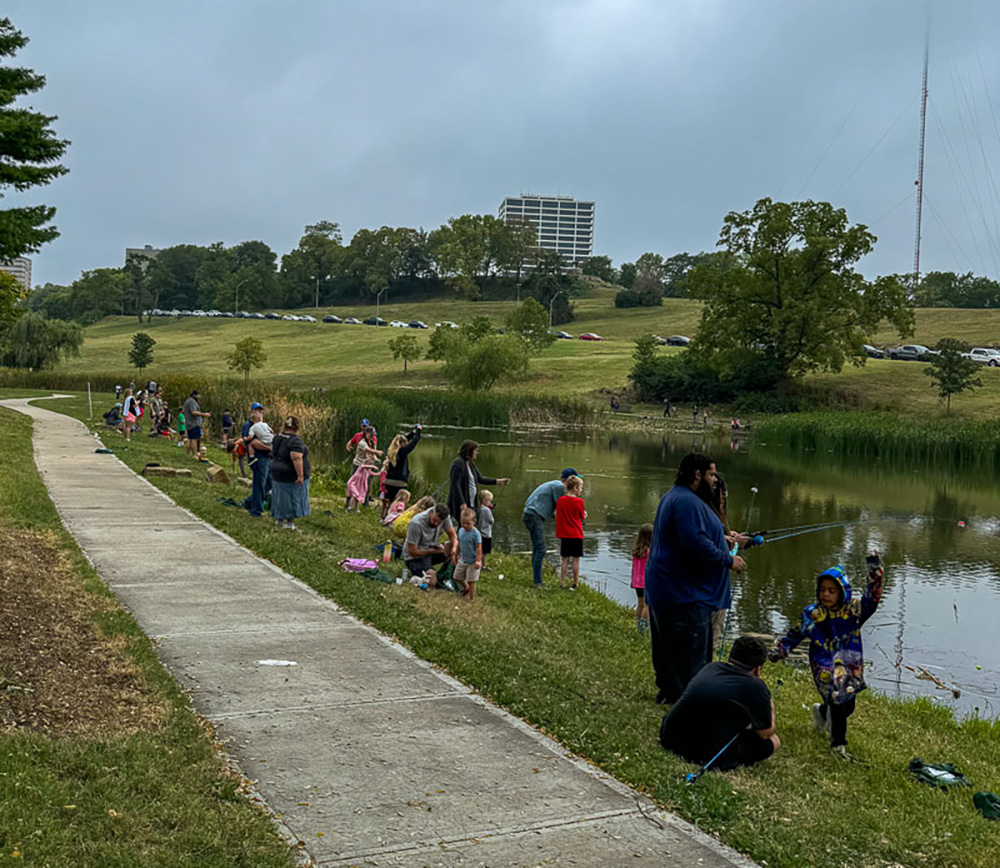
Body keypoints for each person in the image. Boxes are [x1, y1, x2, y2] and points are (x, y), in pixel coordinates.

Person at [645, 453, 746, 705]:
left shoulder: (677, 497)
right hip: (683, 593)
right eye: (711, 474)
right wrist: (728, 560)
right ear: (697, 475)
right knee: (690, 653)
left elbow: (689, 537)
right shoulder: (687, 502)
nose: (715, 480)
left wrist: (721, 540)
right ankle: (688, 701)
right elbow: (694, 544)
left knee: (669, 648)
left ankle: (670, 692)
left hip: (670, 589)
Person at [769, 555, 884, 756]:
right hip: (823, 663)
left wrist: (874, 568)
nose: (825, 594)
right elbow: (795, 634)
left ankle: (822, 712)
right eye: (822, 590)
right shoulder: (812, 613)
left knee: (848, 705)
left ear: (842, 592)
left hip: (850, 663)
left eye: (831, 591)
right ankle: (838, 745)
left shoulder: (854, 611)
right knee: (838, 699)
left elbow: (873, 596)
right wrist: (780, 650)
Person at [659, 636, 779, 771]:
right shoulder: (756, 686)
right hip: (706, 754)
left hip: (669, 737)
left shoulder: (711, 667)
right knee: (774, 741)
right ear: (758, 669)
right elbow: (764, 733)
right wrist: (770, 707)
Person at [522, 468, 578, 589]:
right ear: (570, 480)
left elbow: (555, 512)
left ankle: (536, 579)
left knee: (537, 549)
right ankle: (537, 582)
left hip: (531, 514)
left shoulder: (554, 484)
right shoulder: (559, 488)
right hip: (534, 516)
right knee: (541, 549)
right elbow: (562, 508)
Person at [447, 440, 509, 523]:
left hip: (472, 502)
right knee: (464, 525)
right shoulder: (458, 464)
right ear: (469, 451)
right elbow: (455, 485)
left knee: (470, 525)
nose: (477, 453)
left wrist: (498, 481)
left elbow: (480, 479)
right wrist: (462, 503)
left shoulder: (470, 464)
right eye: (475, 450)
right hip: (462, 503)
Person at [270, 415, 310, 530]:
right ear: (297, 427)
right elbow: (296, 458)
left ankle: (279, 519)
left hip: (277, 472)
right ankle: (289, 522)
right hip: (290, 475)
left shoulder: (277, 437)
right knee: (292, 498)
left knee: (279, 497)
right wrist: (300, 475)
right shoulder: (295, 441)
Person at [404, 503, 458, 583]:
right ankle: (424, 573)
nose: (436, 524)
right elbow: (412, 551)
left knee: (457, 545)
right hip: (415, 557)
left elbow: (453, 535)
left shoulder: (444, 517)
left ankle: (450, 573)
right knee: (432, 581)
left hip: (432, 549)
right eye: (434, 520)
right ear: (431, 513)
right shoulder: (416, 523)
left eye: (439, 523)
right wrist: (433, 551)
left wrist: (454, 549)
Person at [555, 475, 586, 590]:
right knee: (576, 560)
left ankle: (562, 582)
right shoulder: (579, 502)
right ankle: (575, 583)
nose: (582, 490)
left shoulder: (560, 501)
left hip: (564, 534)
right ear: (575, 488)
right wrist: (584, 516)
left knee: (565, 559)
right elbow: (581, 517)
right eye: (581, 487)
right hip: (576, 534)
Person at [242, 407, 273, 518]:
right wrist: (269, 448)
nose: (261, 413)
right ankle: (256, 510)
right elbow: (253, 442)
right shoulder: (249, 427)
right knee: (259, 483)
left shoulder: (263, 425)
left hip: (267, 458)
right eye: (258, 411)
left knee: (270, 482)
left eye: (261, 411)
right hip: (259, 458)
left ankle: (250, 501)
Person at [382, 424, 422, 509]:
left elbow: (402, 440)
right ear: (402, 444)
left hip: (388, 481)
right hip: (399, 482)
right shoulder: (402, 452)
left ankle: (385, 517)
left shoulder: (391, 451)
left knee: (389, 502)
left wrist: (412, 433)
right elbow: (413, 443)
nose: (406, 444)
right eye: (405, 443)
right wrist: (418, 432)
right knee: (397, 503)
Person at [455, 507, 483, 601]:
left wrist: (478, 560)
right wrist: (456, 555)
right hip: (463, 559)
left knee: (471, 580)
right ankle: (465, 588)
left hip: (473, 561)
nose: (465, 525)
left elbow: (479, 548)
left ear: (474, 521)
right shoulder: (461, 531)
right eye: (463, 523)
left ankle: (472, 598)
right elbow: (459, 543)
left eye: (468, 523)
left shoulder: (476, 534)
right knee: (457, 577)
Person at [630, 523, 653, 633]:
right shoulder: (650, 552)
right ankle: (642, 629)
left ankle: (638, 622)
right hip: (647, 582)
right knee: (647, 606)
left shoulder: (636, 551)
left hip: (637, 582)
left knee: (640, 603)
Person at [182, 390, 210, 460]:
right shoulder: (192, 402)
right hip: (194, 423)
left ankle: (187, 453)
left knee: (190, 439)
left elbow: (183, 411)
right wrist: (204, 414)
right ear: (194, 395)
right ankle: (195, 454)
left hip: (188, 423)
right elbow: (193, 412)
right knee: (194, 439)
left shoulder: (187, 401)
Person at [477, 490, 494, 571]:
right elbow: (491, 521)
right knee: (484, 552)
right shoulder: (487, 510)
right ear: (484, 500)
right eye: (489, 500)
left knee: (479, 549)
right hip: (486, 533)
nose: (490, 503)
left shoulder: (478, 509)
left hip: (479, 533)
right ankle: (483, 565)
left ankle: (478, 563)